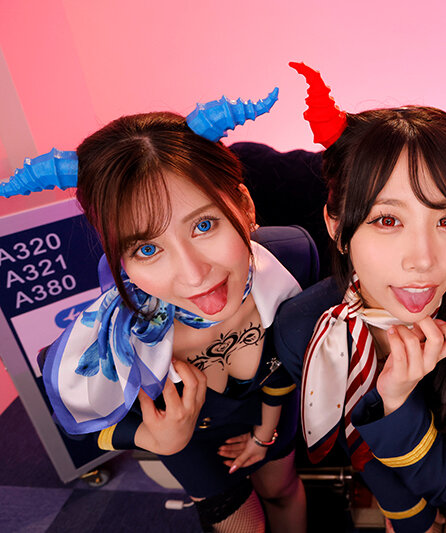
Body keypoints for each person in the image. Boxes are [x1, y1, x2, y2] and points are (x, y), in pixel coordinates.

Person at [273, 62, 446, 533]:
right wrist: (405, 514)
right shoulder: (302, 328)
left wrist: (397, 401)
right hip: (385, 476)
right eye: (387, 220)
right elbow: (351, 439)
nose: (423, 260)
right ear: (337, 226)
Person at [8, 103, 308, 532]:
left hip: (270, 413)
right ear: (120, 258)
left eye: (204, 225)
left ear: (243, 205)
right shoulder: (115, 337)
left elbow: (288, 358)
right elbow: (77, 419)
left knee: (282, 491)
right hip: (187, 443)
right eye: (147, 249)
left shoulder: (296, 259)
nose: (193, 275)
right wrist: (151, 438)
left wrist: (265, 432)